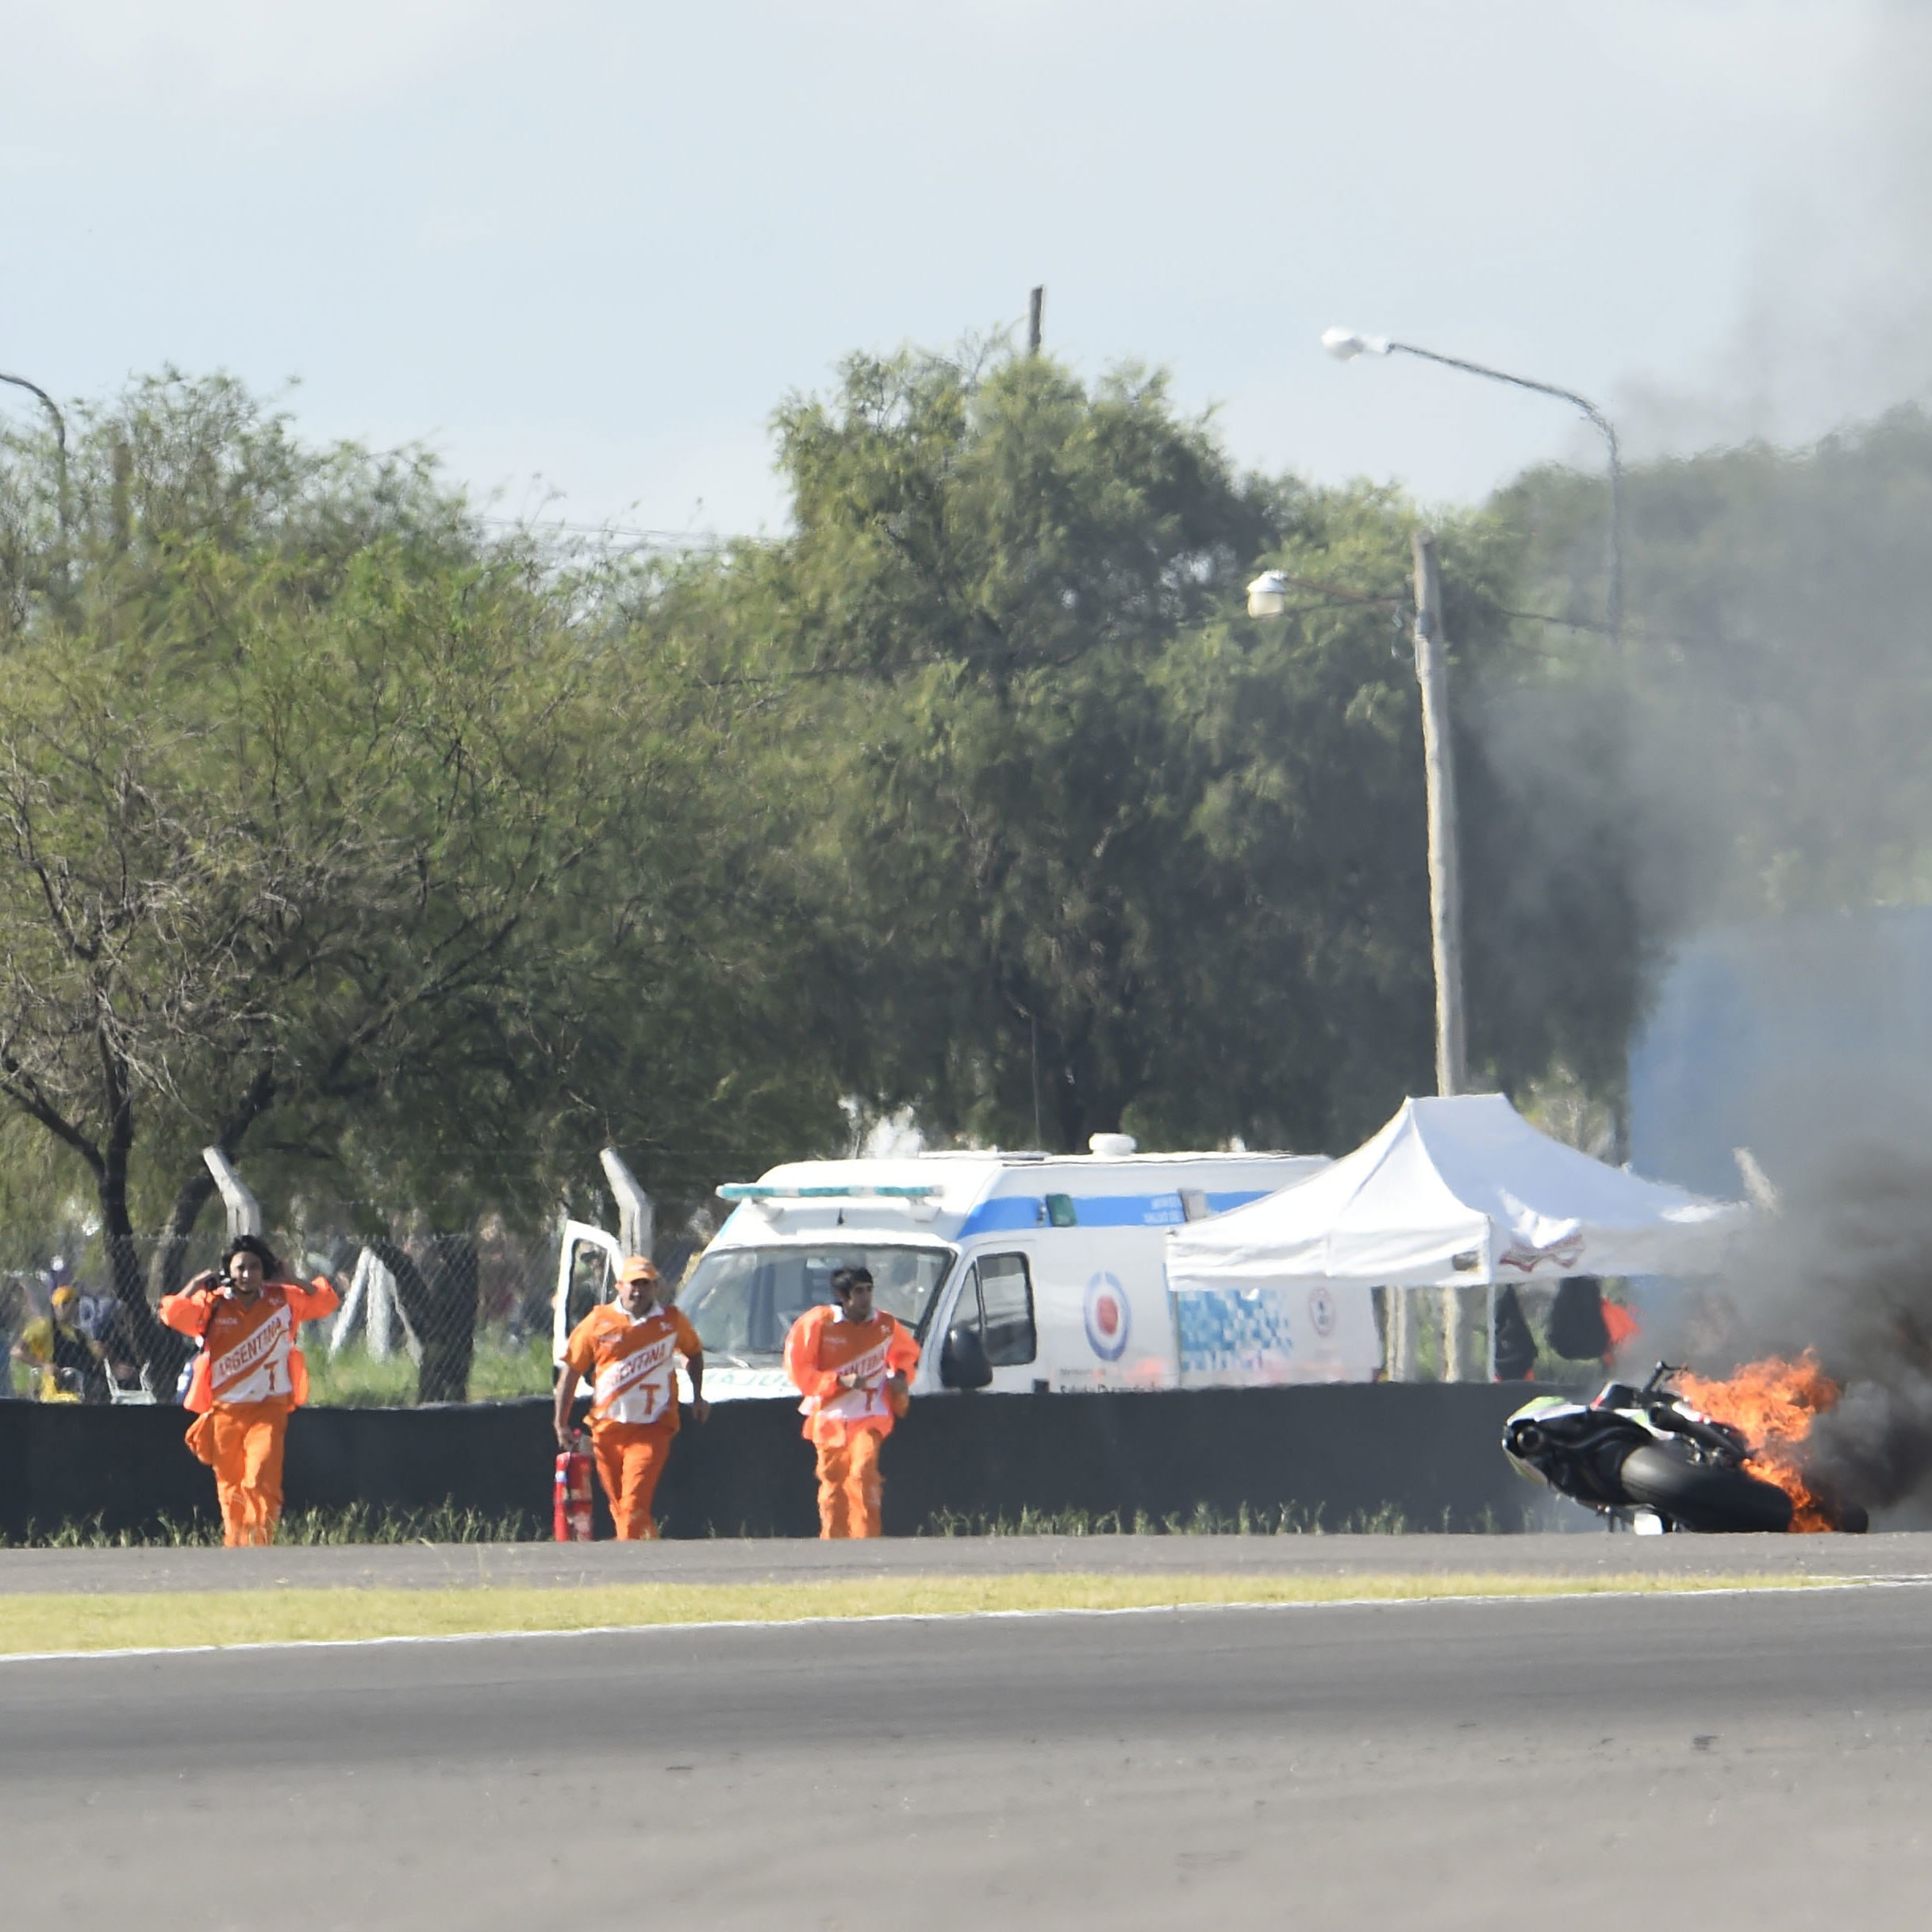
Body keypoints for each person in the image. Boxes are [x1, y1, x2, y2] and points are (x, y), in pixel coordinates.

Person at [158, 1235, 340, 1546]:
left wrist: (292, 1278)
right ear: (229, 1271)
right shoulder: (214, 1303)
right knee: (230, 1485)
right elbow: (172, 1314)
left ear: (264, 1270)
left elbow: (326, 1301)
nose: (247, 1274)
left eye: (254, 1267)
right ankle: (236, 1544)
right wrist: (197, 1284)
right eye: (240, 1268)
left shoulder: (283, 1298)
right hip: (225, 1411)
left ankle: (261, 1543)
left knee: (260, 1476)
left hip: (268, 1408)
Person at [554, 1255, 707, 1540]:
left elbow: (693, 1352)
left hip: (653, 1427)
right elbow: (572, 1371)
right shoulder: (598, 1321)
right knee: (620, 1508)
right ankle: (648, 1550)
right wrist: (560, 1422)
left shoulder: (671, 1320)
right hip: (607, 1429)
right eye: (633, 1284)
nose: (639, 1291)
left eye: (646, 1284)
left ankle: (630, 1558)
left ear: (655, 1287)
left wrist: (698, 1396)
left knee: (634, 1503)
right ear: (619, 1286)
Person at [783, 1263, 920, 1539]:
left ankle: (867, 1540)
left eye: (869, 1290)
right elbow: (799, 1369)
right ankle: (834, 1543)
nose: (866, 1297)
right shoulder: (818, 1323)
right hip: (830, 1417)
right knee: (832, 1480)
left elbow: (907, 1355)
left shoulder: (885, 1324)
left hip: (870, 1414)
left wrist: (901, 1377)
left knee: (863, 1472)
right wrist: (837, 1381)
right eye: (859, 1291)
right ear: (842, 1296)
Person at [11, 1285, 112, 1404]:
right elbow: (17, 1351)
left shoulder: (81, 1334)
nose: (64, 1308)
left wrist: (102, 1351)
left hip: (83, 1390)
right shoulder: (44, 1326)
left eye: (69, 1303)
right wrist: (44, 1365)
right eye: (61, 1304)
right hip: (57, 1392)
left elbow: (98, 1356)